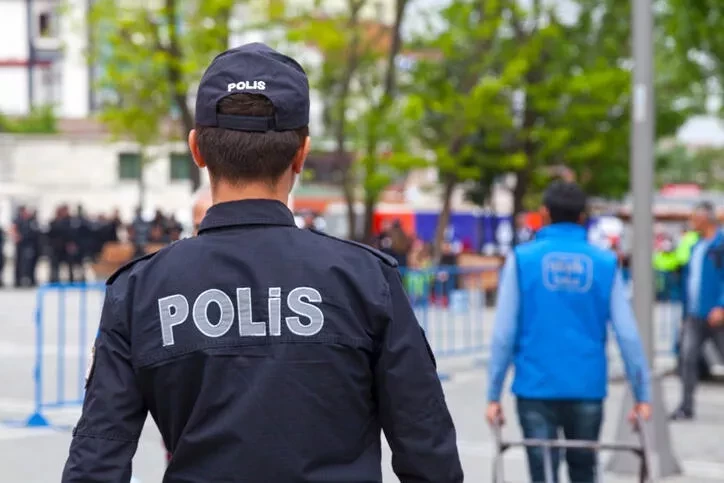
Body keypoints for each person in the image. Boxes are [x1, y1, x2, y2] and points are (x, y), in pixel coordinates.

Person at [62, 43, 463, 482]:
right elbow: (429, 454)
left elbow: (96, 463)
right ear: (301, 154)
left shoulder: (140, 290)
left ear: (196, 149)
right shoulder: (366, 280)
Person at [485, 181, 651, 483]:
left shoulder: (522, 260)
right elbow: (627, 333)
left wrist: (493, 394)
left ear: (544, 213)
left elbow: (503, 333)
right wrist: (642, 394)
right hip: (587, 387)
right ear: (582, 216)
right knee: (584, 470)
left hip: (535, 387)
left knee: (543, 473)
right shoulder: (605, 263)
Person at [670, 201, 724, 421]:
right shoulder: (696, 246)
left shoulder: (720, 245)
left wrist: (721, 305)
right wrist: (685, 314)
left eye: (695, 218)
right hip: (695, 314)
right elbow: (690, 281)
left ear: (705, 219)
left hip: (716, 315)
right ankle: (686, 406)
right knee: (687, 358)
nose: (692, 222)